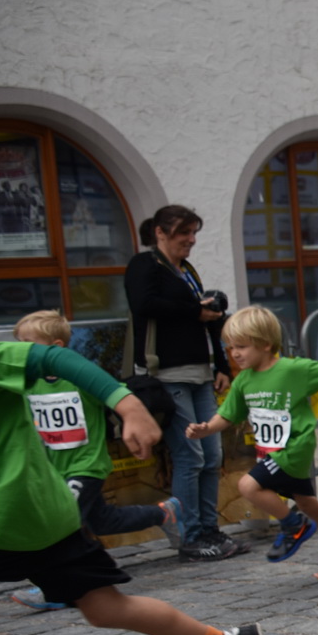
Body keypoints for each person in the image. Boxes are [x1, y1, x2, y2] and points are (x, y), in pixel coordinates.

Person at [0, 336, 269, 635]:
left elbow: (55, 357)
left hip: (31, 517)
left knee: (106, 606)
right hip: (30, 519)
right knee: (104, 609)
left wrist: (130, 407)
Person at [9, 310, 185, 611]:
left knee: (63, 523)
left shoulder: (80, 379)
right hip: (52, 470)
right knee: (101, 520)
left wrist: (132, 421)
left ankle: (57, 589)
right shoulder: (27, 384)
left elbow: (115, 398)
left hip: (85, 466)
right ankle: (163, 513)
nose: (23, 353)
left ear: (56, 347)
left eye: (29, 345)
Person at [183, 306, 318, 570]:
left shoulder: (293, 370)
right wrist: (206, 429)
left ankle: (293, 526)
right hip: (271, 450)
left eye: (241, 346)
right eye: (230, 348)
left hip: (295, 446)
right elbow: (228, 415)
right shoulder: (243, 381)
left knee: (248, 486)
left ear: (265, 344)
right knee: (309, 503)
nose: (235, 353)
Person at [124, 204, 244, 561]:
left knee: (212, 454)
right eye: (184, 234)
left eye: (194, 234)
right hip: (167, 374)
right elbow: (143, 303)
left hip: (200, 372)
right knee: (189, 456)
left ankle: (209, 528)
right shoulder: (145, 265)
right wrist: (195, 310)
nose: (190, 241)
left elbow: (209, 319)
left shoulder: (186, 270)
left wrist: (221, 363)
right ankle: (190, 535)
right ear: (161, 233)